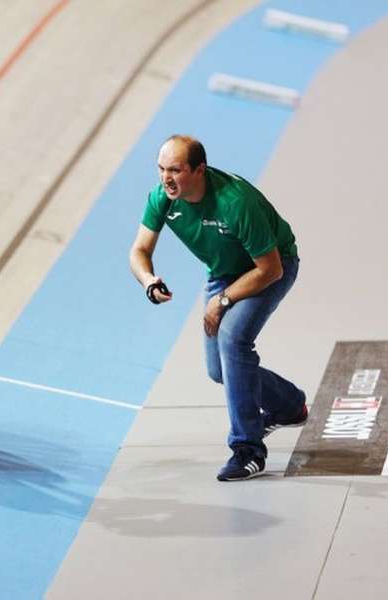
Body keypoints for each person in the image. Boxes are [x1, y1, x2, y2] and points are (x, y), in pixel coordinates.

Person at [129, 134, 307, 481]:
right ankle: (289, 405)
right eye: (161, 169)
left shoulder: (235, 202)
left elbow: (270, 269)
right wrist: (149, 280)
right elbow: (139, 250)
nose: (166, 178)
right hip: (223, 272)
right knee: (220, 370)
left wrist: (222, 301)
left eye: (176, 170)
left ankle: (248, 450)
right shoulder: (163, 197)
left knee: (232, 340)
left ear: (199, 170)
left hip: (271, 267)